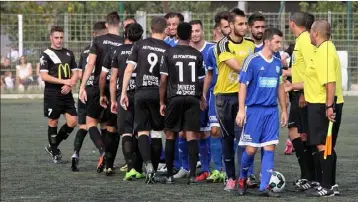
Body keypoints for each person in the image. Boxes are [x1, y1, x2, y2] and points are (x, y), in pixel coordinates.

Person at [236, 28, 287, 197]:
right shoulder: (252, 61)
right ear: (267, 42)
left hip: (271, 111)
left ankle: (264, 186)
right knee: (250, 150)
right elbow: (242, 84)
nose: (280, 45)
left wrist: (284, 109)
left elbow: (280, 86)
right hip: (254, 111)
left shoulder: (278, 62)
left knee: (270, 147)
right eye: (277, 42)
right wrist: (241, 110)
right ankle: (242, 178)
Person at [121, 16, 170, 184]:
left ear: (150, 29)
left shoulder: (139, 45)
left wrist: (123, 93)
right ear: (165, 31)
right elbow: (167, 78)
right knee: (156, 133)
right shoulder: (168, 48)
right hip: (158, 93)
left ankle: (147, 164)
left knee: (142, 131)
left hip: (140, 92)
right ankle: (154, 170)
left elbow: (128, 70)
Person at [213, 8, 255, 191]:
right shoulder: (223, 45)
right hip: (224, 97)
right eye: (240, 24)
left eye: (245, 23)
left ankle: (244, 177)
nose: (244, 27)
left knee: (246, 138)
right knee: (227, 138)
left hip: (244, 96)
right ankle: (230, 177)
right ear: (230, 26)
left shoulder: (251, 44)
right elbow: (239, 68)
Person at [159, 22, 206, 184]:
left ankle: (170, 176)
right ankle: (193, 175)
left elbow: (163, 80)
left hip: (175, 98)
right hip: (193, 98)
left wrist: (161, 102)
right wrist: (202, 98)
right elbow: (201, 81)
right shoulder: (197, 54)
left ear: (177, 35)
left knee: (171, 134)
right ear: (190, 35)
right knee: (191, 135)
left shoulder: (169, 52)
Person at [79, 11, 123, 175]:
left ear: (106, 25)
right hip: (116, 88)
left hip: (98, 86)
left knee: (91, 123)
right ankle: (108, 164)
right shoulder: (124, 42)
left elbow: (90, 64)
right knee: (110, 127)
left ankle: (102, 150)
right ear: (119, 24)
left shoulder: (97, 40)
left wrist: (82, 86)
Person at [285, 11, 317, 191]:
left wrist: (303, 92)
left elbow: (311, 70)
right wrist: (286, 73)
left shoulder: (304, 40)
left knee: (302, 135)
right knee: (295, 133)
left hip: (302, 95)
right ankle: (308, 175)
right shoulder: (301, 40)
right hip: (297, 93)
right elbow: (300, 68)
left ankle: (310, 176)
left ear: (291, 23)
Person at [109, 23, 145, 181]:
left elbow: (113, 78)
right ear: (141, 35)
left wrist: (112, 99)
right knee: (141, 131)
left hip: (124, 94)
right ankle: (139, 168)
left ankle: (130, 168)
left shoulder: (117, 51)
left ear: (126, 34)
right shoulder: (144, 49)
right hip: (141, 93)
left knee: (126, 131)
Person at [71, 21, 107, 172]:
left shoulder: (86, 51)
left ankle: (75, 154)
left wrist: (82, 87)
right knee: (104, 125)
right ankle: (104, 153)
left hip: (85, 90)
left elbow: (80, 73)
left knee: (84, 126)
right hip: (99, 90)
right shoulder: (108, 49)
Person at [40, 26, 78, 164]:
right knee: (53, 121)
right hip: (52, 93)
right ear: (51, 37)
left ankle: (52, 146)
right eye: (56, 37)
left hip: (67, 93)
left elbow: (76, 72)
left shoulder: (68, 53)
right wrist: (64, 81)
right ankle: (55, 152)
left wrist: (70, 84)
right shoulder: (46, 54)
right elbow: (44, 76)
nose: (59, 40)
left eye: (61, 37)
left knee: (73, 121)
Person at [202, 11, 232, 183]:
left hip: (235, 96)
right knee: (214, 131)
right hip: (217, 95)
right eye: (225, 26)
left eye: (230, 25)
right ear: (219, 29)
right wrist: (203, 96)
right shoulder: (212, 51)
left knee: (233, 133)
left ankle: (231, 170)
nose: (228, 29)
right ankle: (217, 170)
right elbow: (209, 74)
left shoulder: (242, 48)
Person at [187, 19, 214, 182]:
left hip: (208, 97)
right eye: (192, 32)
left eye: (197, 31)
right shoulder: (185, 50)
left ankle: (209, 168)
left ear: (203, 31)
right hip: (189, 97)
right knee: (189, 132)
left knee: (206, 132)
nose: (195, 34)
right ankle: (186, 167)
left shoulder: (211, 49)